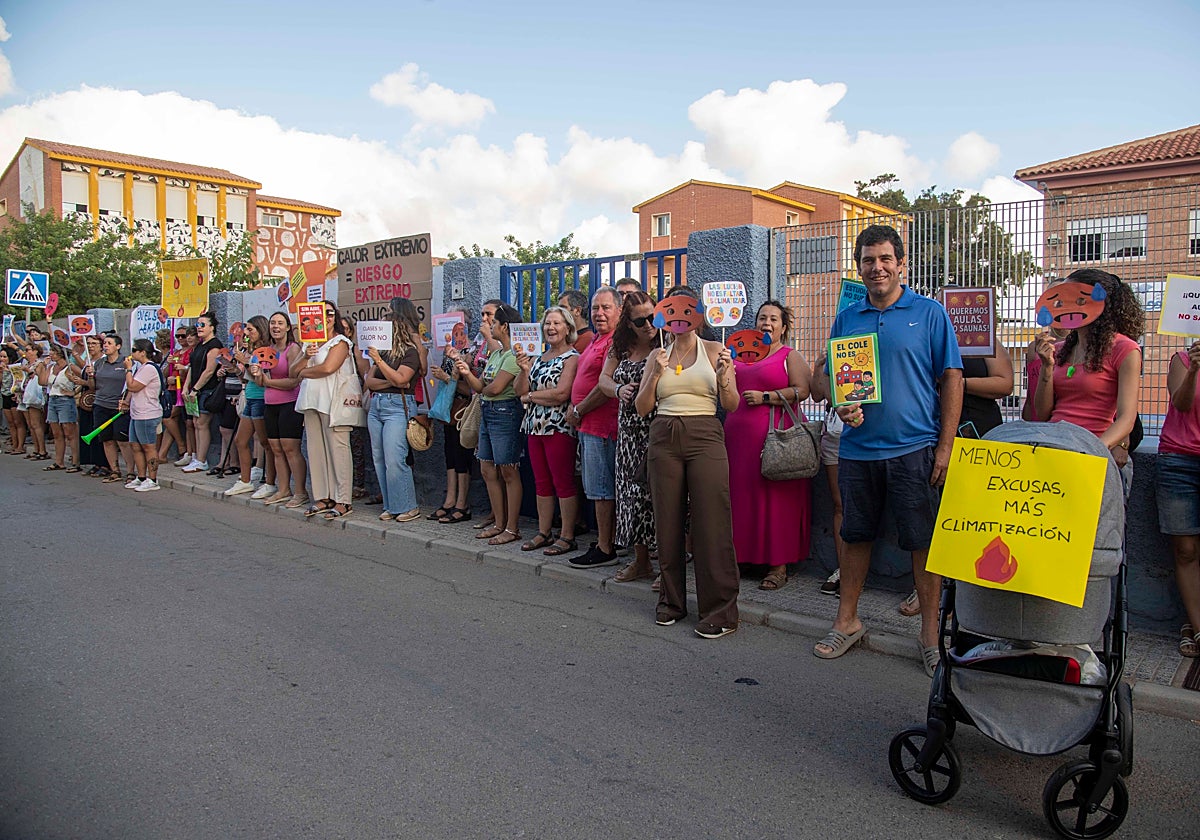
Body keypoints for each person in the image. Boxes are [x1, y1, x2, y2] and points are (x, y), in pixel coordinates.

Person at [815, 224, 963, 677]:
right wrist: (841, 400)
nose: (876, 268)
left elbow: (952, 378)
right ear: (858, 267)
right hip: (858, 450)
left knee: (923, 543)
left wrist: (945, 447)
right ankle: (847, 621)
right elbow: (827, 380)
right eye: (867, 260)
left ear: (901, 263)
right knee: (854, 536)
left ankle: (930, 637)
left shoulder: (930, 313)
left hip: (915, 448)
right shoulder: (848, 317)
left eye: (884, 259)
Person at [635, 286, 741, 638]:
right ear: (664, 314)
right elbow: (642, 407)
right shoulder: (657, 355)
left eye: (686, 310)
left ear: (697, 314)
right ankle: (671, 602)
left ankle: (721, 611)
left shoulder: (715, 350)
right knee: (667, 523)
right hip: (663, 434)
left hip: (705, 433)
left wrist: (725, 379)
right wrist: (654, 374)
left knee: (712, 523)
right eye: (672, 310)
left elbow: (732, 404)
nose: (679, 317)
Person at [895, 311, 1015, 617]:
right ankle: (931, 588)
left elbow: (1004, 384)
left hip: (977, 432)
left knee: (974, 514)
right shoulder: (927, 341)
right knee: (936, 513)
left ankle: (966, 591)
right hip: (931, 433)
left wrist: (956, 381)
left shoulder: (985, 343)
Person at [723, 300, 812, 590]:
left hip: (778, 438)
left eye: (774, 319)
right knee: (741, 498)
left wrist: (766, 397)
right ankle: (739, 558)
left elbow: (803, 390)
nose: (767, 323)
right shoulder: (737, 353)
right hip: (738, 441)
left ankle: (778, 565)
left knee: (777, 500)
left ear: (783, 327)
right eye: (762, 317)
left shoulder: (789, 355)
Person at [1033, 269, 1142, 489]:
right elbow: (1042, 413)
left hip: (1095, 456)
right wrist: (1047, 368)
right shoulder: (1061, 349)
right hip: (1055, 451)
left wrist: (1093, 452)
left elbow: (1126, 418)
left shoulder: (1125, 349)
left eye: (1076, 297)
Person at [599, 290, 659, 582]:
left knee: (662, 498)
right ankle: (641, 561)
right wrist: (618, 390)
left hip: (657, 429)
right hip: (629, 435)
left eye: (652, 317)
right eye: (640, 321)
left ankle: (669, 566)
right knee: (631, 497)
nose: (648, 325)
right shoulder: (620, 347)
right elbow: (603, 380)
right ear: (628, 324)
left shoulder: (666, 343)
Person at [455, 303, 524, 545]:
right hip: (488, 410)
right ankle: (499, 523)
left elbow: (493, 388)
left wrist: (481, 386)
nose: (490, 325)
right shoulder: (495, 354)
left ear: (504, 326)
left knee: (508, 470)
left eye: (494, 322)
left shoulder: (514, 354)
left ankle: (512, 527)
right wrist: (466, 372)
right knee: (487, 469)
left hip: (505, 413)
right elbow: (480, 386)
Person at [514, 305, 580, 554]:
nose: (551, 328)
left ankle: (567, 535)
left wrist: (531, 396)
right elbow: (519, 390)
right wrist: (523, 370)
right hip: (534, 426)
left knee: (563, 482)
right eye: (547, 324)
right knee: (541, 482)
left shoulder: (572, 357)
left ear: (568, 329)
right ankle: (544, 533)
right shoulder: (538, 357)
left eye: (556, 323)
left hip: (558, 427)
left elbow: (561, 394)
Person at [566, 286, 622, 568]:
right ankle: (605, 540)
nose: (599, 313)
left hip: (602, 426)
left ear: (619, 311)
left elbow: (604, 387)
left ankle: (605, 547)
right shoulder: (596, 340)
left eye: (606, 308)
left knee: (602, 489)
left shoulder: (615, 343)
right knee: (597, 488)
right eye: (596, 308)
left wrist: (579, 409)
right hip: (588, 425)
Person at [1157, 340, 1200, 658]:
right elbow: (1181, 404)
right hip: (1179, 461)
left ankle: (1190, 622)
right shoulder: (1182, 360)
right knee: (1185, 549)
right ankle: (1198, 627)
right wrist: (1195, 368)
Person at [296, 300, 357, 519]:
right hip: (311, 401)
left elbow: (328, 368)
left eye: (329, 313)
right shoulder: (309, 343)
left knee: (338, 450)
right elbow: (294, 369)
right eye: (321, 314)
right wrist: (305, 357)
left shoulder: (340, 342)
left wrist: (305, 371)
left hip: (333, 401)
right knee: (316, 450)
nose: (326, 317)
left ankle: (343, 499)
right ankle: (323, 496)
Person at [365, 299, 424, 524]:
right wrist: (390, 380)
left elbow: (403, 379)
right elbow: (371, 382)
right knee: (379, 458)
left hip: (397, 408)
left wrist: (380, 363)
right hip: (378, 405)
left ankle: (408, 505)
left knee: (395, 458)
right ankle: (391, 505)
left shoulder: (410, 352)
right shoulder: (383, 351)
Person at [429, 304, 489, 524]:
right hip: (449, 407)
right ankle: (450, 499)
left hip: (463, 406)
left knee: (462, 456)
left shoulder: (472, 350)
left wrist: (447, 378)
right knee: (450, 455)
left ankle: (462, 503)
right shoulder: (449, 348)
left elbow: (471, 387)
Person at [250, 311, 308, 508]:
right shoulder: (267, 350)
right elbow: (261, 382)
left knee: (291, 449)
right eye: (273, 323)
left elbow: (294, 380)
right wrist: (257, 374)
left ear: (287, 327)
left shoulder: (293, 349)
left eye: (280, 323)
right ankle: (283, 489)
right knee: (275, 449)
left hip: (289, 404)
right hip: (270, 404)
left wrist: (269, 382)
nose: (276, 326)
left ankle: (300, 492)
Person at [224, 316, 275, 497]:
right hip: (251, 396)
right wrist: (237, 368)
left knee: (264, 443)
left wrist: (245, 362)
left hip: (261, 399)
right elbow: (248, 378)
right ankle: (245, 481)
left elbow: (263, 378)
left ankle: (269, 481)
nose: (246, 334)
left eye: (251, 330)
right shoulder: (252, 350)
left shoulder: (266, 351)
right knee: (241, 440)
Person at [810, 355, 847, 596]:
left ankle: (856, 572)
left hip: (867, 433)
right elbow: (817, 395)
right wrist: (818, 368)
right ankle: (844, 569)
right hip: (834, 432)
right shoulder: (833, 350)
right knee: (839, 505)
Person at [180, 312, 224, 474]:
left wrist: (196, 389)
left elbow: (209, 370)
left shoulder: (214, 345)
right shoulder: (199, 345)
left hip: (207, 390)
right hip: (195, 390)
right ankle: (197, 457)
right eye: (197, 325)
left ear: (212, 327)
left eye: (202, 325)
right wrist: (186, 387)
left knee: (202, 424)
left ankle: (201, 459)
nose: (199, 328)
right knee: (196, 423)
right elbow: (192, 367)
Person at [88, 333, 134, 483]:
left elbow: (131, 384)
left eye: (109, 343)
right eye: (105, 343)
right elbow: (93, 387)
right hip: (101, 404)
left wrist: (126, 402)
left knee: (122, 440)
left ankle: (131, 471)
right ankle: (114, 470)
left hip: (119, 407)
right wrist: (90, 377)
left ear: (118, 346)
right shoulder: (99, 363)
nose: (105, 346)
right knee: (106, 439)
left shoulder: (126, 362)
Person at [121, 338, 163, 491]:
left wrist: (128, 369)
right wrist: (126, 402)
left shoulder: (149, 368)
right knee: (135, 445)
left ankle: (152, 479)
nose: (131, 354)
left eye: (134, 350)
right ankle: (141, 477)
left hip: (148, 414)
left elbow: (133, 386)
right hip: (136, 413)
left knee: (148, 447)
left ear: (142, 352)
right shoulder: (142, 367)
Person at [39, 344, 79, 471]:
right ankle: (59, 461)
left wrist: (74, 392)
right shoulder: (51, 367)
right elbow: (43, 382)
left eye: (53, 351)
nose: (50, 353)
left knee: (70, 432)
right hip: (52, 399)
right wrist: (44, 367)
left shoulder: (70, 367)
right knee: (56, 433)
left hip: (65, 400)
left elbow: (84, 379)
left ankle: (75, 462)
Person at [18, 344, 48, 460]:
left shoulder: (39, 364)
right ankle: (36, 449)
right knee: (30, 424)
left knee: (36, 424)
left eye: (28, 350)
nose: (26, 352)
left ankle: (42, 450)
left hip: (34, 395)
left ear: (35, 351)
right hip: (24, 394)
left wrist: (29, 371)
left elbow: (39, 378)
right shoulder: (26, 364)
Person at [2, 347, 27, 456]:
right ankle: (14, 444)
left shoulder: (15, 367)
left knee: (18, 422)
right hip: (5, 395)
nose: (2, 359)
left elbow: (19, 380)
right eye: (1, 356)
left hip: (14, 395)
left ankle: (20, 446)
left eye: (4, 357)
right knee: (11, 423)